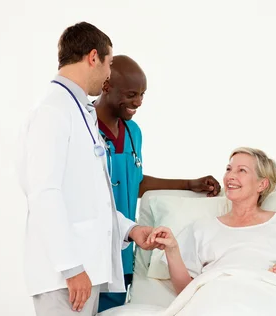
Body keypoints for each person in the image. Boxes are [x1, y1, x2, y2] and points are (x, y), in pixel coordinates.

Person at [16, 22, 161, 316]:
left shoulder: (79, 110)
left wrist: (131, 229)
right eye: (108, 63)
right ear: (93, 57)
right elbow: (44, 193)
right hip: (66, 276)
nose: (109, 73)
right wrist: (71, 268)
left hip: (84, 271)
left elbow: (90, 199)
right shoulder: (52, 112)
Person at [92, 55, 222, 312]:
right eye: (131, 94)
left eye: (142, 95)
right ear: (106, 86)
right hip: (91, 249)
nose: (138, 102)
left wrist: (189, 184)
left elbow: (134, 182)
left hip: (123, 248)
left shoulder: (133, 131)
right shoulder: (83, 127)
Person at [148, 147, 276, 313]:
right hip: (215, 297)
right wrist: (172, 250)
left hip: (268, 295)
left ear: (262, 185)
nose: (230, 176)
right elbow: (185, 291)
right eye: (228, 169)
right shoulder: (202, 228)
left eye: (241, 170)